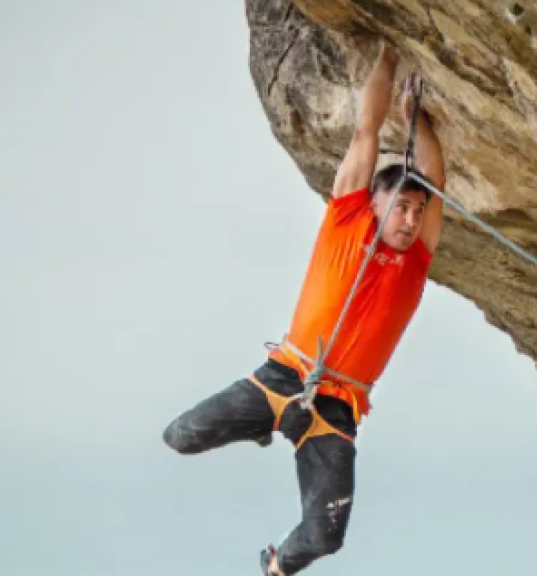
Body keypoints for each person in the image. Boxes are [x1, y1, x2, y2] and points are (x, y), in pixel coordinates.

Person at [161, 41, 445, 575]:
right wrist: (385, 59)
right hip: (284, 377)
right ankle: (262, 422)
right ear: (375, 203)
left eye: (416, 212)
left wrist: (416, 120)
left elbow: (434, 179)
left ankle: (275, 565)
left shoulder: (416, 260)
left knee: (325, 536)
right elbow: (365, 133)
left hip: (336, 408)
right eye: (401, 207)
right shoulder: (347, 219)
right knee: (180, 436)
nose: (409, 220)